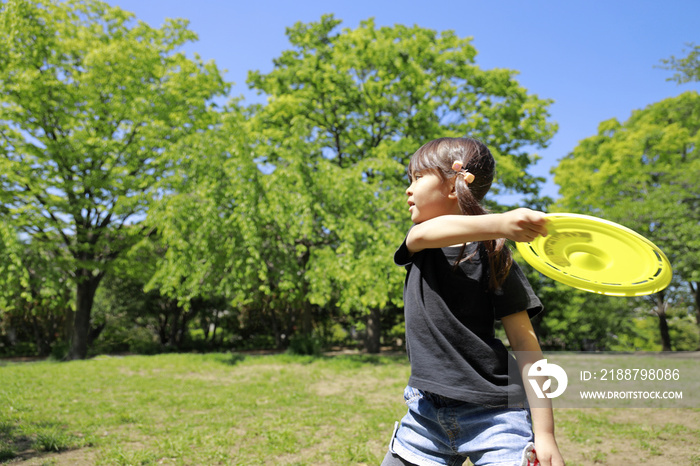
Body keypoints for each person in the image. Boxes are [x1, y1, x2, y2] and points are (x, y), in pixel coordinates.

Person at [382, 137, 565, 466]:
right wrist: (501, 223)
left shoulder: (495, 254)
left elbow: (526, 344)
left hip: (495, 417)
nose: (408, 190)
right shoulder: (420, 242)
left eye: (418, 178)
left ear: (454, 185)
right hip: (425, 415)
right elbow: (426, 234)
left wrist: (546, 433)